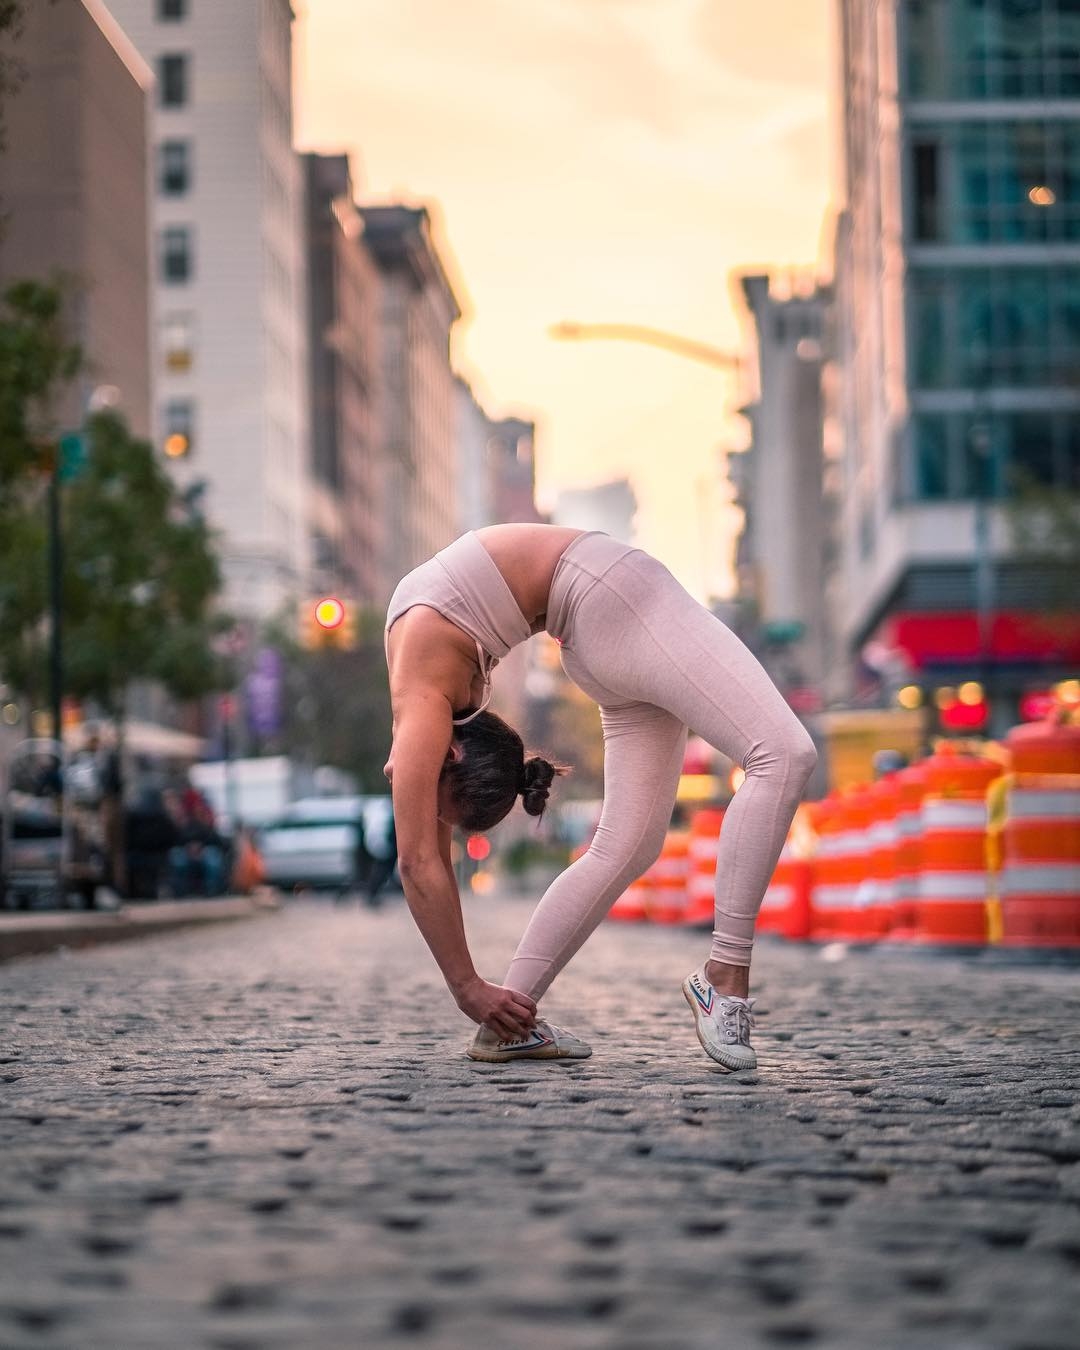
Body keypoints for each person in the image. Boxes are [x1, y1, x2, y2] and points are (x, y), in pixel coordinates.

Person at [384, 525, 817, 1070]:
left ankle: (511, 1027)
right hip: (608, 612)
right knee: (781, 753)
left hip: (601, 609)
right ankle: (719, 980)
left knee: (634, 841)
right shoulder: (422, 694)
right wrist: (469, 986)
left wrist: (468, 987)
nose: (405, 786)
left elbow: (418, 860)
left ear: (448, 757)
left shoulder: (422, 697)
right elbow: (426, 858)